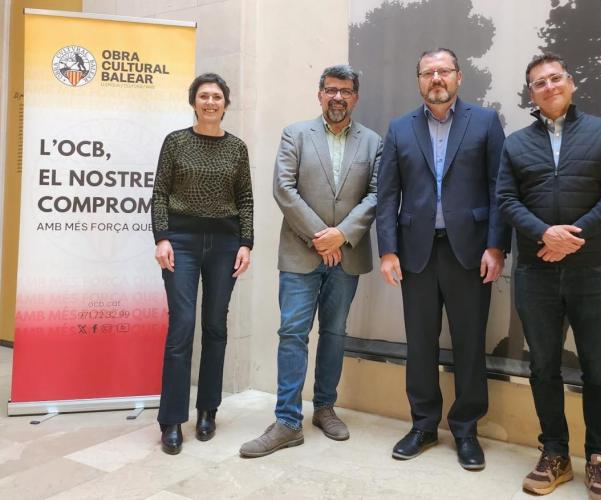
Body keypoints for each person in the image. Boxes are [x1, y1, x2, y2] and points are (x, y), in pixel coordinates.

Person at [497, 53, 601, 499]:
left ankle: (600, 458)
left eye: (555, 78)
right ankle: (554, 453)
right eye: (539, 82)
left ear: (570, 83)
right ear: (531, 94)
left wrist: (574, 235)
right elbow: (506, 199)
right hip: (535, 272)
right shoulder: (516, 144)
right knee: (542, 366)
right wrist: (545, 234)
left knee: (598, 367)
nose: (549, 86)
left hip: (591, 270)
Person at [376, 48, 510, 470]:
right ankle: (423, 425)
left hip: (470, 251)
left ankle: (466, 430)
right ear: (419, 80)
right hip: (415, 253)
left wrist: (497, 246)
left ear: (458, 77)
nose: (436, 78)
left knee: (469, 343)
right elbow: (387, 196)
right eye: (428, 72)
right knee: (420, 344)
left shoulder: (485, 122)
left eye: (443, 71)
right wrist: (388, 250)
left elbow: (500, 189)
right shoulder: (399, 128)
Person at [239, 65, 381, 458]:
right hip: (301, 253)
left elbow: (376, 194)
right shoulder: (296, 134)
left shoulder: (373, 142)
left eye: (346, 91)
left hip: (346, 256)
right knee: (293, 333)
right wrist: (322, 237)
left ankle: (324, 408)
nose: (338, 97)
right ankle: (287, 421)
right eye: (331, 90)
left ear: (355, 97)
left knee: (335, 333)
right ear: (319, 95)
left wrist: (342, 235)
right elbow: (283, 188)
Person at [151, 73, 253, 455]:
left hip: (225, 244)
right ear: (193, 101)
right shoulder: (175, 142)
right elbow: (160, 193)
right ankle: (171, 419)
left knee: (215, 325)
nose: (210, 102)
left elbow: (245, 199)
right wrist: (162, 237)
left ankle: (208, 409)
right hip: (181, 242)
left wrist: (246, 243)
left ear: (226, 104)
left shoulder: (237, 148)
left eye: (217, 97)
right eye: (204, 96)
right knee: (182, 325)